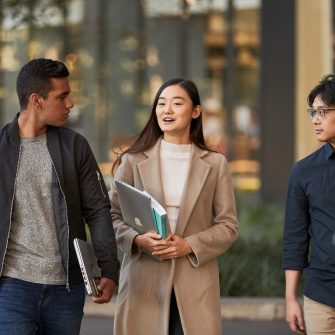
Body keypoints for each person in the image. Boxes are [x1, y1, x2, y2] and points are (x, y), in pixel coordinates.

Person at [109, 78, 239, 335]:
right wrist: (137, 240)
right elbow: (112, 216)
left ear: (195, 111)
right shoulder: (133, 161)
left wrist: (188, 245)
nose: (166, 110)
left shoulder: (215, 164)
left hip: (195, 284)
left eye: (176, 103)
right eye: (161, 103)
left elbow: (228, 225)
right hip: (142, 283)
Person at [0, 58, 119, 334]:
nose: (71, 103)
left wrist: (108, 268)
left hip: (67, 288)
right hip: (12, 286)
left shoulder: (75, 146)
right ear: (36, 100)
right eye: (62, 96)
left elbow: (98, 210)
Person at [283, 74, 335, 334]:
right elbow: (295, 239)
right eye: (312, 112)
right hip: (321, 297)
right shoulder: (303, 172)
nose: (315, 120)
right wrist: (291, 298)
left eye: (322, 112)